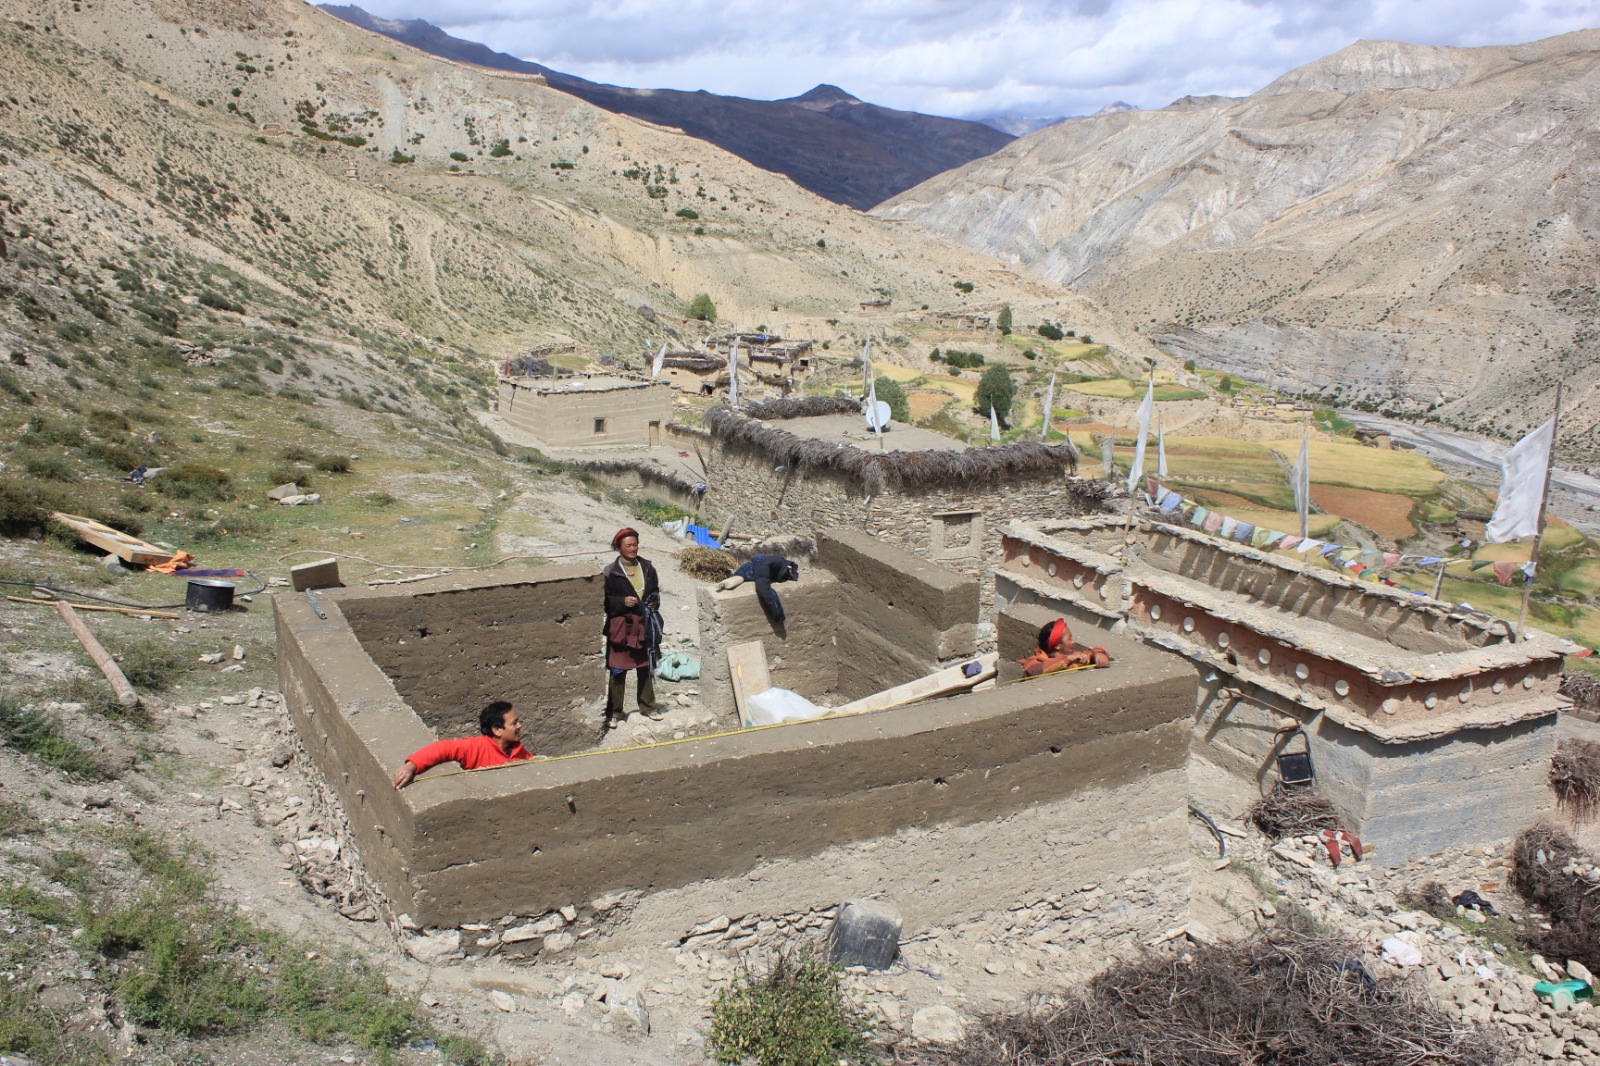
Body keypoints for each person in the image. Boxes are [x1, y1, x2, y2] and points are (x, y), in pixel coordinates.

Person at [391, 700, 531, 789]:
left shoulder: (520, 752)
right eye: (514, 723)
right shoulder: (476, 747)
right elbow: (443, 748)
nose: (519, 726)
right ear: (497, 730)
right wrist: (410, 766)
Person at [603, 527, 663, 728]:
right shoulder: (611, 572)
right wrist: (621, 602)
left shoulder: (647, 568)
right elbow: (603, 601)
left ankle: (648, 707)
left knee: (645, 667)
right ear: (619, 547)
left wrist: (654, 601)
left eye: (635, 544)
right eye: (628, 545)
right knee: (618, 669)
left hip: (643, 625)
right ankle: (614, 712)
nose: (632, 548)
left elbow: (655, 591)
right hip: (621, 628)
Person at [1018, 617, 1111, 676]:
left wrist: (1097, 655)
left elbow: (1091, 653)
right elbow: (1032, 671)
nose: (1073, 642)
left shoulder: (1075, 656)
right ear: (1057, 646)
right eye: (1069, 638)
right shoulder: (1036, 661)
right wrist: (1067, 660)